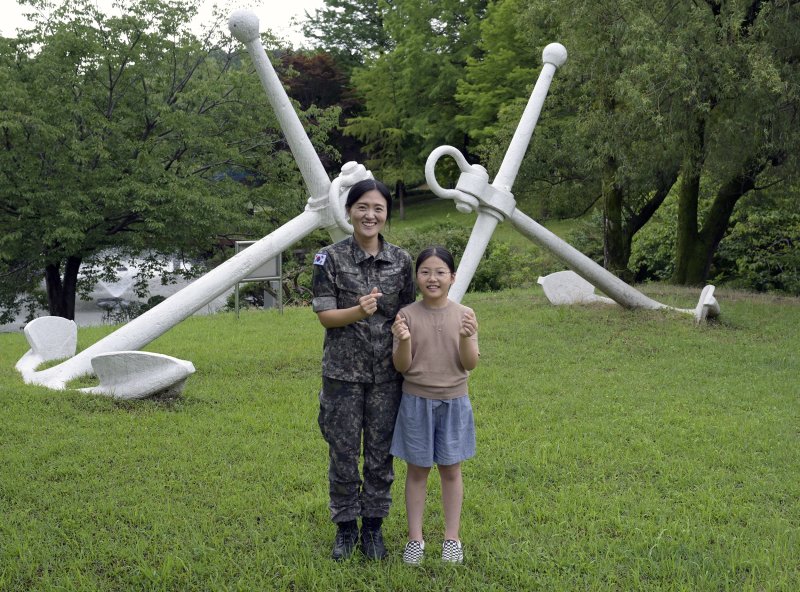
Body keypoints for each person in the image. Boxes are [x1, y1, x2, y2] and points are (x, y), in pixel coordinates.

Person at [311, 178, 415, 561]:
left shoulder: (402, 261)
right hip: (343, 375)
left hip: (388, 375)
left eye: (378, 209)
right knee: (341, 452)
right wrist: (359, 310)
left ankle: (373, 528)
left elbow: (409, 314)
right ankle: (345, 528)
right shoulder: (329, 258)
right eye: (362, 207)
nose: (370, 215)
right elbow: (325, 316)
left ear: (386, 215)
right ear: (349, 211)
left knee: (380, 453)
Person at [390, 246, 479, 565]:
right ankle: (415, 539)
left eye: (440, 272)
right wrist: (402, 339)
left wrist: (468, 337)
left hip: (454, 401)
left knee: (451, 470)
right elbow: (402, 366)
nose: (433, 278)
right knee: (417, 471)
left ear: (452, 278)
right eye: (425, 271)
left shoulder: (464, 314)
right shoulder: (406, 315)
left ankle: (452, 538)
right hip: (416, 402)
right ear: (416, 277)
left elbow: (469, 363)